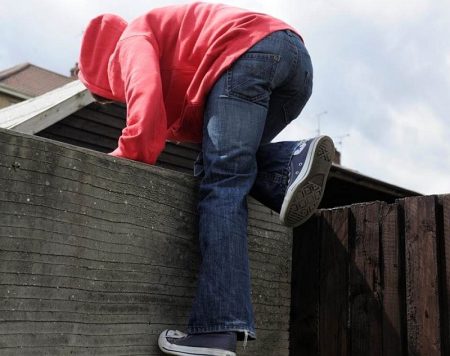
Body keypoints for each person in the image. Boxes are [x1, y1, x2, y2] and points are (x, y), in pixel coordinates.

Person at [77, 2, 334, 355]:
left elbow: (145, 116)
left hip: (250, 53)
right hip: (294, 62)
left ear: (104, 70)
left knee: (222, 183)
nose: (117, 98)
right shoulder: (161, 40)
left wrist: (115, 160)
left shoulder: (130, 40)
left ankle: (218, 327)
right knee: (220, 169)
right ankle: (288, 166)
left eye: (110, 96)